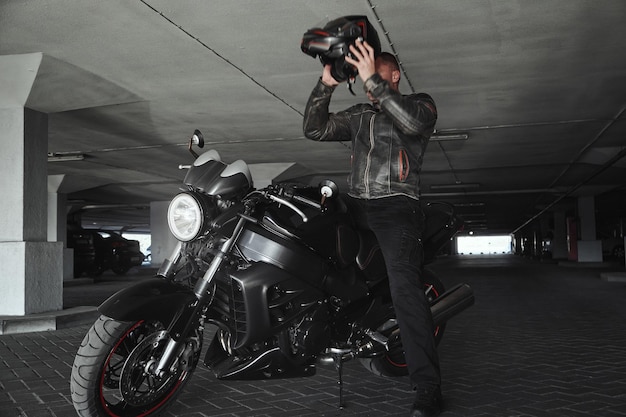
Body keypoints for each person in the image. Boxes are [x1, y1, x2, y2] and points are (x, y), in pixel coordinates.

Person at [303, 40, 442, 417]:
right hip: (356, 205)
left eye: (374, 73)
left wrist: (374, 82)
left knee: (405, 290)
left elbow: (412, 121)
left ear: (393, 76)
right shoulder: (360, 115)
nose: (366, 81)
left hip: (396, 206)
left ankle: (428, 388)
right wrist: (326, 84)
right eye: (363, 75)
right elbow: (314, 129)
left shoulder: (420, 105)